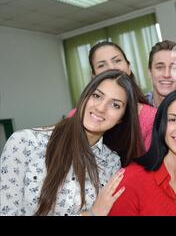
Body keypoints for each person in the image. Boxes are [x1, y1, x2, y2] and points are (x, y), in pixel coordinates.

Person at [0, 70, 143, 216]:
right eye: (97, 96)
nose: (101, 108)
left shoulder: (112, 162)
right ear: (85, 97)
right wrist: (91, 214)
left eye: (115, 105)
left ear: (122, 118)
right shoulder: (25, 143)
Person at [67, 41, 156, 152]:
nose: (112, 68)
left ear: (128, 67)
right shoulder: (75, 116)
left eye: (117, 60)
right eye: (101, 65)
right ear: (94, 75)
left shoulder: (151, 118)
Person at [146, 40, 176, 108]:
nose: (167, 75)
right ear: (149, 72)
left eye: (174, 68)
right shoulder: (136, 109)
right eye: (159, 67)